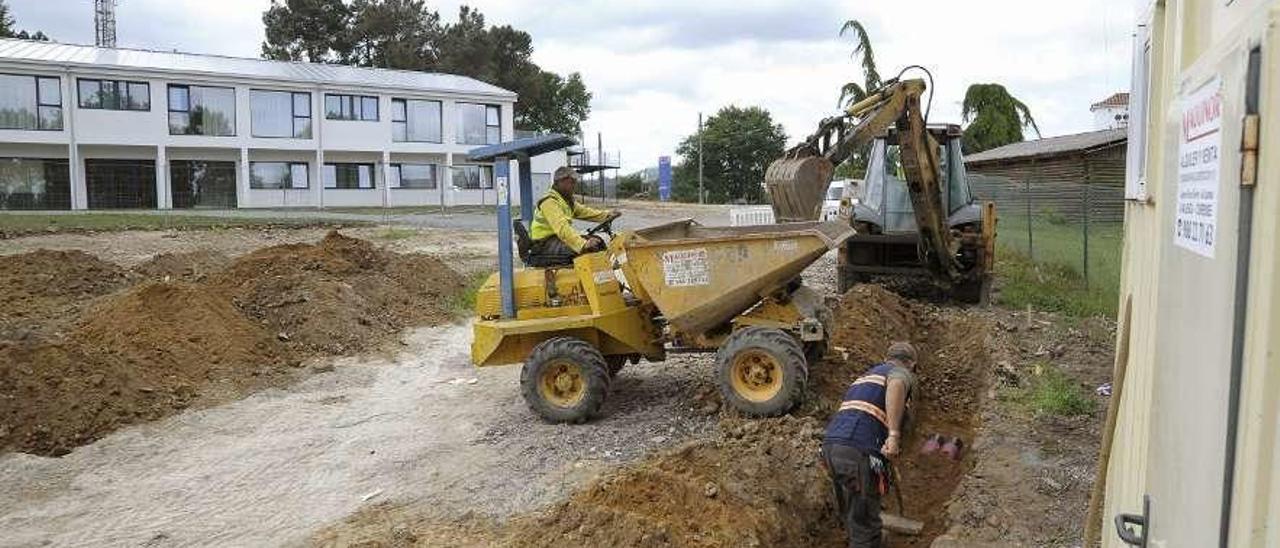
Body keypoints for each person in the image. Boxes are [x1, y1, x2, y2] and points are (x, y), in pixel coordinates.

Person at [821, 341, 918, 547]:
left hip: (832, 448)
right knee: (865, 527)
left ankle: (864, 539)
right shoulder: (900, 373)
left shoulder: (866, 377)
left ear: (886, 358)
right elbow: (897, 384)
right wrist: (893, 435)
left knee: (854, 514)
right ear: (912, 365)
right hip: (858, 452)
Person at [527, 166, 621, 265]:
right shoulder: (549, 202)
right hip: (544, 244)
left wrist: (607, 215)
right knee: (591, 248)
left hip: (555, 239)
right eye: (571, 182)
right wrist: (583, 244)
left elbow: (585, 212)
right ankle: (592, 278)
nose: (574, 185)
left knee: (598, 242)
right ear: (560, 182)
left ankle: (601, 277)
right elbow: (562, 228)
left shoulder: (566, 200)